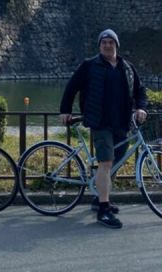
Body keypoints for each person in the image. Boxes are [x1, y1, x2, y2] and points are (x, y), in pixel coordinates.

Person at [59, 28, 148, 229]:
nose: (108, 45)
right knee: (106, 162)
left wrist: (141, 107)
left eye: (111, 42)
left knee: (115, 162)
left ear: (116, 45)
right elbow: (71, 87)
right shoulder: (90, 66)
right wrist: (65, 110)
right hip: (100, 123)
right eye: (104, 42)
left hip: (122, 123)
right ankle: (103, 210)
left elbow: (140, 90)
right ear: (100, 46)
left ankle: (99, 197)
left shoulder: (127, 67)